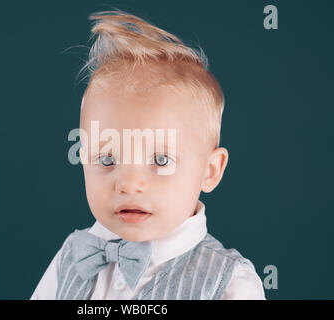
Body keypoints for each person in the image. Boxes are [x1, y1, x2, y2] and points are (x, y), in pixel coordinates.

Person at [31, 9, 265, 300]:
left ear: (210, 171)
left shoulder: (228, 283)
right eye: (107, 160)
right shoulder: (74, 257)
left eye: (161, 160)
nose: (129, 183)